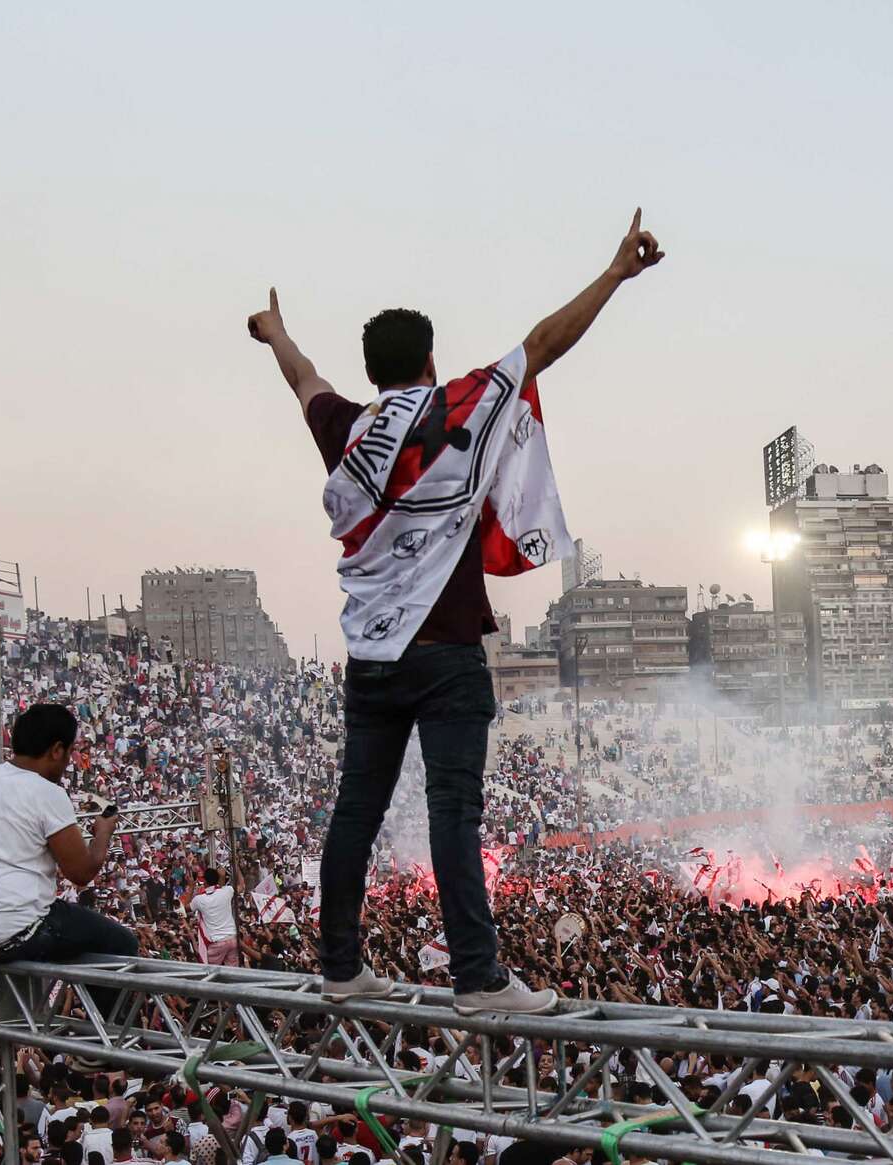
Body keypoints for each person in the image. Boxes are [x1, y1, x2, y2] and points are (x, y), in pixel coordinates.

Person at [248, 209, 664, 1015]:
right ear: (431, 361)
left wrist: (276, 332)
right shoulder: (461, 408)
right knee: (454, 814)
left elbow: (304, 379)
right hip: (443, 655)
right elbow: (546, 343)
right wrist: (615, 273)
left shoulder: (348, 430)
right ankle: (476, 977)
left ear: (370, 372)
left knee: (355, 811)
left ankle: (340, 962)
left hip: (369, 659)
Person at [0, 704, 138, 1013]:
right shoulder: (46, 792)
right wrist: (103, 833)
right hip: (19, 929)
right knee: (122, 943)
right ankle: (102, 1036)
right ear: (57, 749)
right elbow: (81, 873)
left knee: (78, 931)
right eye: (71, 751)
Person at [185, 869, 239, 967]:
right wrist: (237, 867)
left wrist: (191, 886)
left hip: (217, 943)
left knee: (210, 973)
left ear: (205, 881)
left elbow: (184, 908)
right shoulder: (227, 891)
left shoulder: (199, 899)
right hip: (233, 939)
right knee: (233, 975)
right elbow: (242, 885)